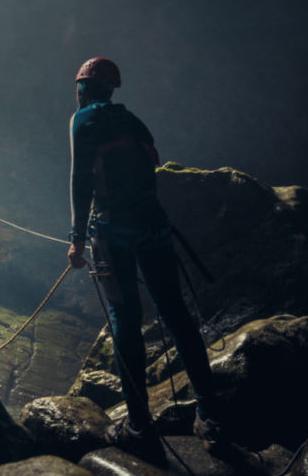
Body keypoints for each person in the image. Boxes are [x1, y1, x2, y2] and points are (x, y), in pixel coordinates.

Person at [66, 56, 225, 466]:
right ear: (113, 89)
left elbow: (81, 182)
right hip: (155, 227)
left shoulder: (82, 121)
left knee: (125, 321)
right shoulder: (134, 121)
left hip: (114, 232)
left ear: (83, 89)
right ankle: (211, 418)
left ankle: (139, 428)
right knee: (176, 316)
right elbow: (149, 167)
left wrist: (77, 241)